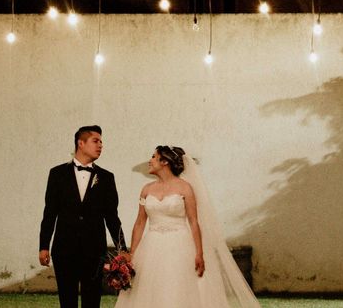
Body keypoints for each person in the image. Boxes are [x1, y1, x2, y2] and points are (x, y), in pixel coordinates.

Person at [115, 146, 259, 308]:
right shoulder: (146, 190)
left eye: (154, 157)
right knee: (149, 288)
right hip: (151, 246)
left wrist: (199, 253)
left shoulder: (185, 188)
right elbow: (140, 223)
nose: (150, 161)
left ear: (165, 162)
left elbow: (193, 221)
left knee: (175, 287)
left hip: (179, 246)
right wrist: (133, 253)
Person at [39, 125, 126, 308]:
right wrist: (44, 246)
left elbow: (112, 217)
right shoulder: (57, 174)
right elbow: (50, 212)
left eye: (102, 142)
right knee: (67, 300)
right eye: (96, 141)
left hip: (94, 250)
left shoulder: (106, 177)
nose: (100, 145)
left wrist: (122, 248)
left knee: (92, 300)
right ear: (81, 143)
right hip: (64, 248)